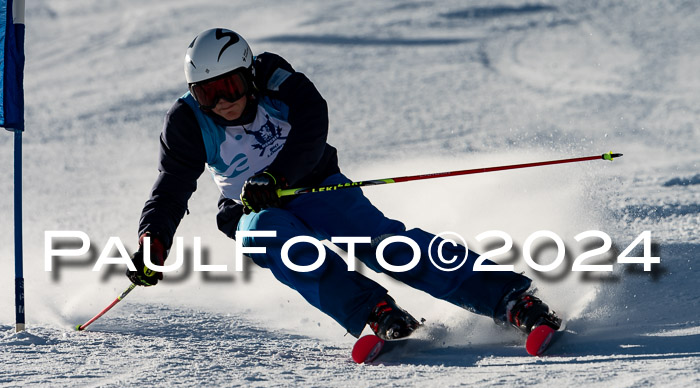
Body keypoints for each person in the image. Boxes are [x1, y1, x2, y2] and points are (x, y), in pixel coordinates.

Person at [127, 28, 561, 341]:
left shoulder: (274, 77)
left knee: (383, 244)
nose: (223, 102)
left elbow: (313, 124)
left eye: (230, 85)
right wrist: (154, 239)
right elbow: (172, 186)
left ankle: (508, 298)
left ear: (248, 74)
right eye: (208, 93)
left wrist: (277, 177)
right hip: (251, 207)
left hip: (313, 183)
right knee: (270, 237)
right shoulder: (186, 121)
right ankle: (372, 310)